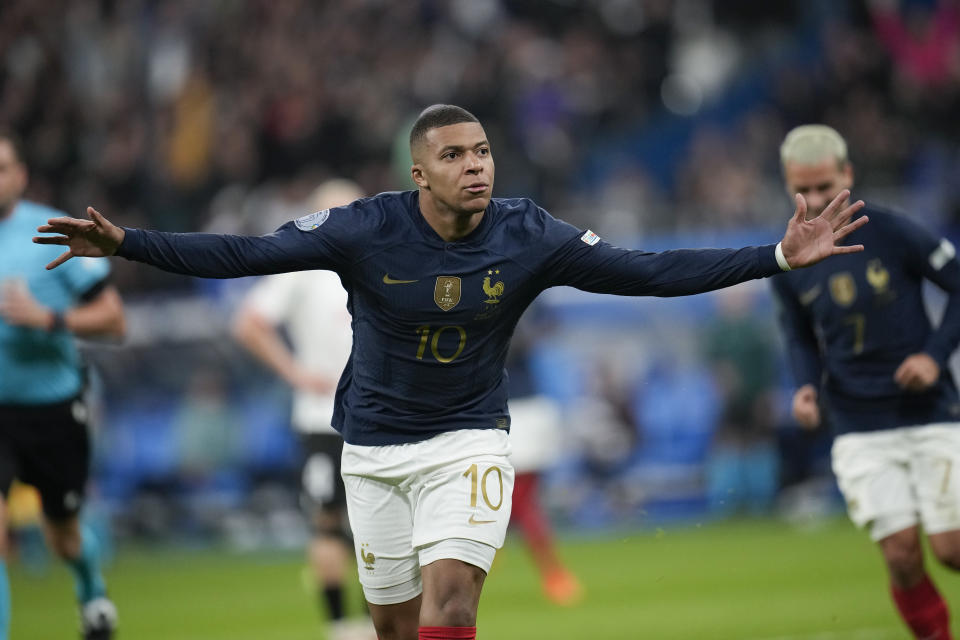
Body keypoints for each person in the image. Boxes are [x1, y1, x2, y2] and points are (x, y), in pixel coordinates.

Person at [34, 105, 866, 640]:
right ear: (419, 174)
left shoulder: (529, 232)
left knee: (455, 606)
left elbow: (647, 269)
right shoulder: (364, 229)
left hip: (468, 440)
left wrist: (775, 255)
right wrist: (130, 243)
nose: (479, 166)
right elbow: (247, 253)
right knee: (393, 627)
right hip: (372, 449)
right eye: (458, 155)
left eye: (484, 151)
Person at [770, 124, 960, 640]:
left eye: (825, 187)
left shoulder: (894, 231)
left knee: (951, 550)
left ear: (848, 175)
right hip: (856, 420)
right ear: (788, 184)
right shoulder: (787, 256)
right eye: (802, 190)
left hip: (928, 408)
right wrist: (805, 386)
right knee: (901, 554)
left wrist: (934, 357)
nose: (814, 200)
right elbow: (800, 335)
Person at [231, 178, 376, 640]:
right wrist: (294, 372)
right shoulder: (304, 269)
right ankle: (343, 626)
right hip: (325, 419)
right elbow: (249, 324)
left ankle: (368, 624)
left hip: (374, 417)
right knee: (330, 524)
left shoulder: (369, 262)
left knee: (360, 525)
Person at [0, 132, 126, 640]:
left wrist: (47, 319)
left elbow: (114, 321)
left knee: (65, 538)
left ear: (21, 174)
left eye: (3, 167)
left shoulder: (49, 230)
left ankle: (91, 590)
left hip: (52, 408)